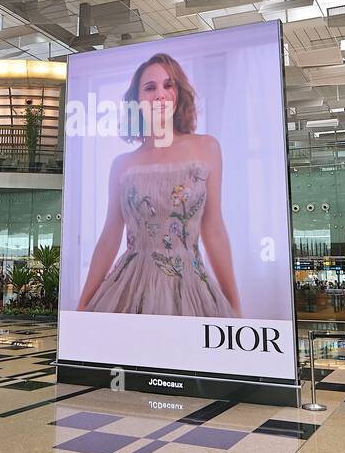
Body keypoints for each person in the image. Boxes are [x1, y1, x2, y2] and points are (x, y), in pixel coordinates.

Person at [76, 52, 241, 317]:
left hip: (190, 288)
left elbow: (214, 229)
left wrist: (235, 307)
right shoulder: (122, 164)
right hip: (129, 288)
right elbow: (109, 236)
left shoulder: (207, 147)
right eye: (150, 88)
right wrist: (82, 305)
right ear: (138, 100)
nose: (160, 95)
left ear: (179, 93)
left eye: (168, 85)